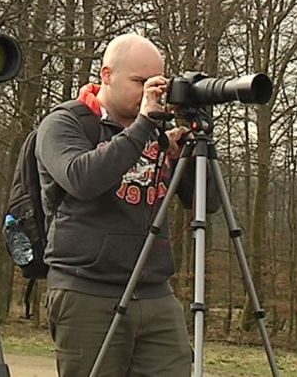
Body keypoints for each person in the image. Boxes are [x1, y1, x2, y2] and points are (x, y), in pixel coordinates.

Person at [35, 33, 220, 376]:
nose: (148, 92)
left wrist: (196, 148)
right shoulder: (66, 123)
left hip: (154, 291)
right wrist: (143, 126)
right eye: (138, 81)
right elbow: (82, 179)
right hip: (88, 288)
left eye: (155, 83)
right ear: (107, 74)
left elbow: (205, 204)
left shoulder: (157, 131)